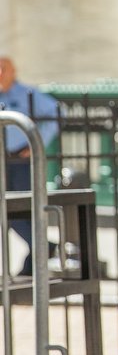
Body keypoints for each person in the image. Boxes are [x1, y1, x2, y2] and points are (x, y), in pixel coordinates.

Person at [0, 57, 60, 276]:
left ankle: (37, 256)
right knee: (6, 210)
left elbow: (55, 113)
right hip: (2, 160)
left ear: (13, 71)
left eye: (3, 68)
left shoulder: (27, 94)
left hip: (22, 160)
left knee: (24, 208)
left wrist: (37, 143)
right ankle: (43, 248)